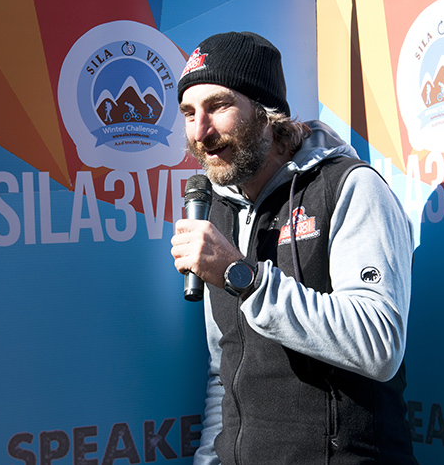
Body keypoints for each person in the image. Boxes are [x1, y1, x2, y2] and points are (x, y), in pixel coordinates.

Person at [170, 31, 416, 465]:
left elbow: (379, 344)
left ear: (267, 114)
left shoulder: (348, 187)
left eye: (218, 106)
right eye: (189, 113)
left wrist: (241, 277)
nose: (200, 131)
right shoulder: (217, 209)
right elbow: (222, 369)